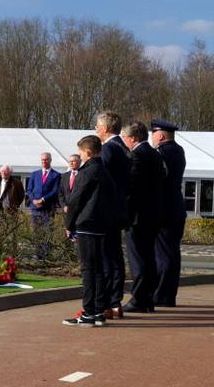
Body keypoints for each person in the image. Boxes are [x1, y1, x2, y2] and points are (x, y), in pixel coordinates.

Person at [62, 135, 116, 327]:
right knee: (99, 270)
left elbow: (76, 199)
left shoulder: (88, 171)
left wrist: (69, 224)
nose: (80, 157)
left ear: (88, 152)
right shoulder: (105, 171)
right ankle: (99, 311)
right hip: (101, 225)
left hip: (86, 225)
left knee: (88, 270)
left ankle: (88, 313)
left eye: (82, 153)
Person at [121, 121, 166, 313]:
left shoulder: (137, 156)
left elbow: (131, 187)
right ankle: (147, 298)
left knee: (138, 259)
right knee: (148, 258)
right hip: (154, 215)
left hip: (139, 217)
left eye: (124, 137)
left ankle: (139, 299)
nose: (123, 141)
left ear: (133, 138)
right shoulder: (155, 154)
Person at [95, 111, 131, 319]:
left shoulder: (108, 149)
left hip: (107, 212)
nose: (96, 130)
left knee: (107, 258)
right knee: (115, 257)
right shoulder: (123, 148)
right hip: (119, 211)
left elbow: (103, 182)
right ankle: (115, 301)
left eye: (98, 126)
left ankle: (108, 302)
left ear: (106, 128)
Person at [150, 118, 186, 307]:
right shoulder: (179, 150)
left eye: (154, 134)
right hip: (176, 208)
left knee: (163, 255)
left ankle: (162, 295)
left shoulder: (161, 153)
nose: (152, 138)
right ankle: (167, 294)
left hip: (164, 210)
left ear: (161, 135)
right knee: (172, 253)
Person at [26, 152, 61, 258]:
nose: (44, 161)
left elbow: (55, 191)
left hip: (48, 208)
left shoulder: (56, 175)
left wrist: (43, 199)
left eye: (46, 159)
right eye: (42, 160)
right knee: (36, 231)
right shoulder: (35, 174)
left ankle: (46, 254)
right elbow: (29, 189)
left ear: (50, 160)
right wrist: (34, 200)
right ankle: (37, 253)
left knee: (47, 231)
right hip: (35, 208)